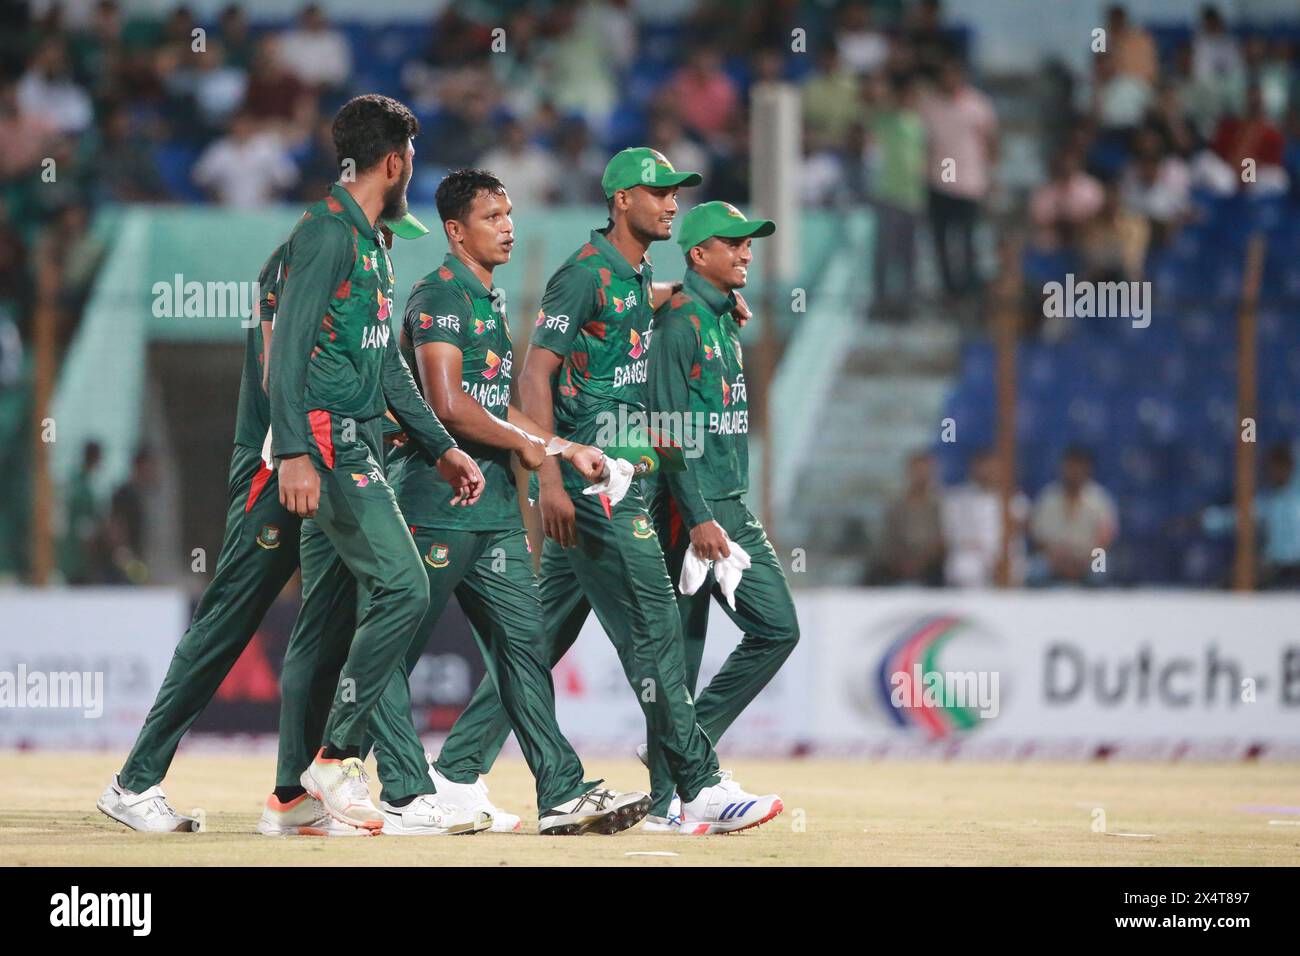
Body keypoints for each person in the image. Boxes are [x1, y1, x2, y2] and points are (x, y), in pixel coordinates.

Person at [433, 148, 783, 835]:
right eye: (658, 192)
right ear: (621, 200)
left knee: (535, 639)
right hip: (595, 482)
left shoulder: (634, 275)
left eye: (676, 193)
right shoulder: (582, 275)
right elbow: (533, 379)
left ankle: (455, 772)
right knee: (654, 627)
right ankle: (698, 785)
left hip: (614, 476)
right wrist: (549, 477)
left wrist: (688, 296)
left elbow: (633, 312)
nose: (671, 203)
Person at [362, 168, 651, 836]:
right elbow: (448, 405)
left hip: (493, 512)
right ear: (455, 229)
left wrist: (554, 446)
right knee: (386, 653)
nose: (508, 226)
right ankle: (396, 791)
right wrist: (537, 447)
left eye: (510, 213)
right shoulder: (438, 296)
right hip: (437, 501)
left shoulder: (487, 300)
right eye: (492, 216)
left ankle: (562, 791)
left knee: (525, 648)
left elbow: (494, 405)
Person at [270, 94, 483, 833]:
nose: (412, 172)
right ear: (394, 162)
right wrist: (293, 451)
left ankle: (291, 800)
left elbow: (389, 368)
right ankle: (336, 760)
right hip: (330, 445)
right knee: (404, 586)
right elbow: (284, 352)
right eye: (412, 160)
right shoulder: (329, 235)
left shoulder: (369, 241)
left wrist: (442, 444)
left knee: (322, 622)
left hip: (355, 440)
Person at [641, 200, 799, 829]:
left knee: (766, 631)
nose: (746, 252)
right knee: (685, 652)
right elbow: (668, 429)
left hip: (726, 504)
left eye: (749, 243)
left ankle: (684, 766)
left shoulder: (720, 318)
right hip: (694, 511)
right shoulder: (680, 325)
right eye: (732, 243)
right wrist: (699, 516)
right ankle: (669, 799)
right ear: (698, 253)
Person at [917, 58, 997, 298]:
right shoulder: (929, 105)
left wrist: (991, 174)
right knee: (941, 240)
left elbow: (991, 141)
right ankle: (949, 290)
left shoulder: (977, 104)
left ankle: (970, 289)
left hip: (969, 181)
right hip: (939, 181)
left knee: (968, 240)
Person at [1202, 443, 1300, 589]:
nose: (1277, 473)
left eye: (1282, 467)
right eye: (1274, 468)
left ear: (1291, 467)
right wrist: (1208, 520)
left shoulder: (1295, 496)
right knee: (1237, 578)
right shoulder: (1267, 501)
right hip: (1274, 565)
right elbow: (1239, 517)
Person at [1030, 447, 1119, 586]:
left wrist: (1085, 559)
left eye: (1080, 467)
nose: (1075, 472)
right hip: (1055, 558)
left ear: (1088, 470)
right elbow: (1039, 538)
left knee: (1101, 568)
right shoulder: (1048, 497)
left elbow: (1105, 540)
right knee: (1035, 569)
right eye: (1070, 467)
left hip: (1088, 557)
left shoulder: (1099, 498)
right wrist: (1058, 559)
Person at [881, 450, 945, 585]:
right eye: (917, 471)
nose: (921, 476)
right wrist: (902, 561)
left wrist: (921, 561)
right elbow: (889, 538)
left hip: (932, 563)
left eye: (925, 471)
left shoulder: (941, 504)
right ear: (909, 473)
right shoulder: (896, 505)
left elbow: (942, 539)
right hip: (899, 561)